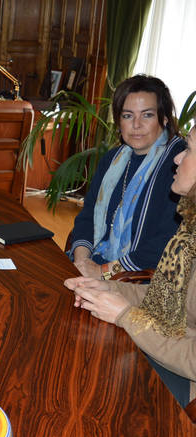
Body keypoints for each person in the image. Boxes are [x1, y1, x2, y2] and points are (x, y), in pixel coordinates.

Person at [65, 126, 196, 407]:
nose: (177, 158)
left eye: (189, 150)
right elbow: (166, 299)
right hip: (164, 343)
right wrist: (106, 288)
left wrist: (125, 316)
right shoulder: (189, 232)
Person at [69, 75, 186, 279]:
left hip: (139, 279)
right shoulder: (112, 159)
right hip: (93, 264)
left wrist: (102, 272)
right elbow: (87, 215)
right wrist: (80, 261)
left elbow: (166, 244)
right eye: (128, 116)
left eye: (147, 115)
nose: (136, 125)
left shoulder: (179, 164)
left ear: (165, 118)